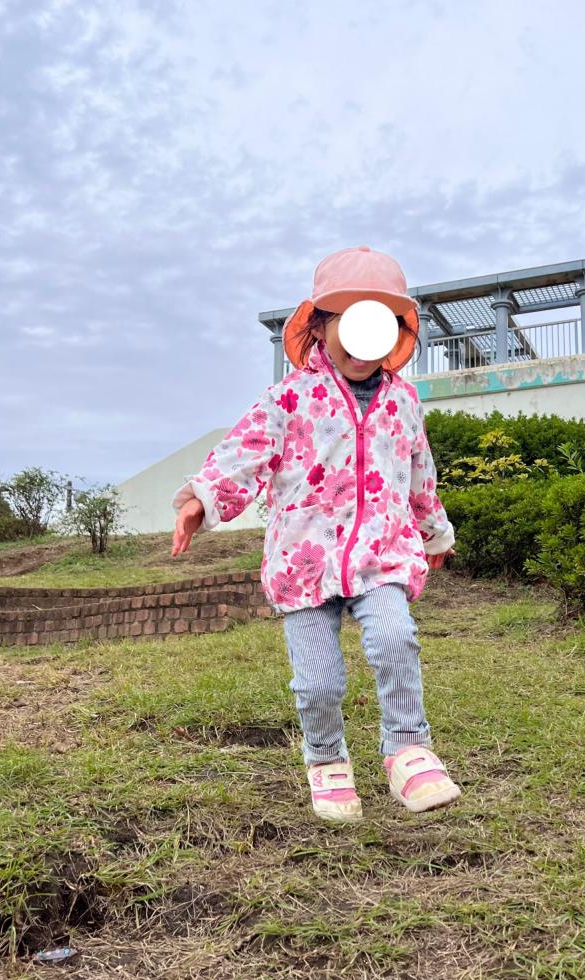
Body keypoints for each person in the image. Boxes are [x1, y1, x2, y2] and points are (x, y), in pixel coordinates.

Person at [171, 244, 460, 822]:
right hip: (304, 564)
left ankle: (407, 749)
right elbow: (244, 453)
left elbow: (418, 470)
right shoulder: (291, 398)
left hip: (381, 555)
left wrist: (435, 533)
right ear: (322, 326)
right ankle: (327, 761)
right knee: (320, 682)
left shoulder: (403, 400)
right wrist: (201, 499)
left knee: (395, 641)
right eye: (349, 324)